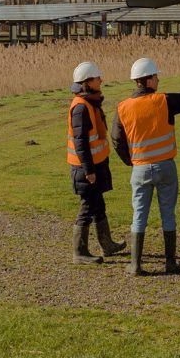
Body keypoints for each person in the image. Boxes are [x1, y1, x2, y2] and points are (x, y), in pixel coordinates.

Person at [111, 58, 180, 276]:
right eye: (156, 76)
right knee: (168, 214)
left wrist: (131, 161)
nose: (159, 80)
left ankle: (135, 265)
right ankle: (170, 263)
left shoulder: (122, 107)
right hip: (165, 167)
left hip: (140, 169)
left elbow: (116, 139)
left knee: (139, 214)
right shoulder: (164, 101)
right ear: (149, 80)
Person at [67, 61, 126, 265]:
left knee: (98, 205)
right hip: (86, 168)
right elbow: (80, 142)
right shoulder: (81, 108)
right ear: (87, 82)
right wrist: (89, 170)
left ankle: (107, 244)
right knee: (87, 207)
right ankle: (79, 252)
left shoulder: (90, 102)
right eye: (97, 78)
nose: (101, 80)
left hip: (95, 165)